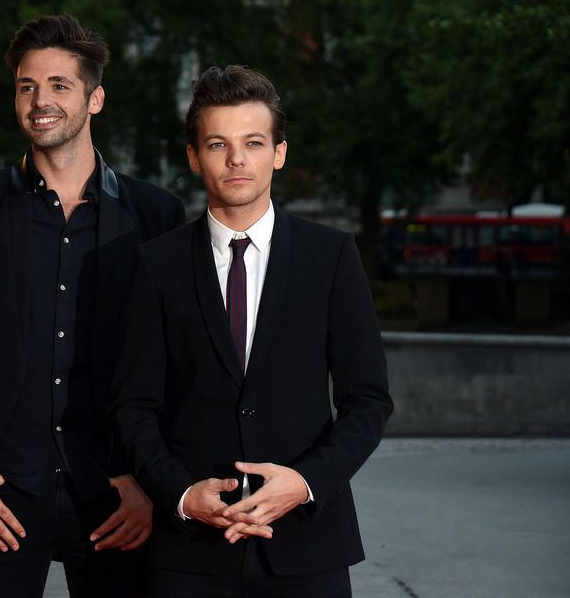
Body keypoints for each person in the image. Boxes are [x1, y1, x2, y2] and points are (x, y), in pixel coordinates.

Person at [0, 14, 185, 597]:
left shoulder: (156, 215)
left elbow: (173, 362)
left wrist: (151, 480)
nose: (40, 101)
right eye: (27, 86)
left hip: (115, 491)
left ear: (95, 98)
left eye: (59, 85)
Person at [111, 65, 393, 596]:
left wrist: (306, 484)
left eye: (253, 142)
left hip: (308, 543)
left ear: (279, 153)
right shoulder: (156, 264)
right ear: (194, 157)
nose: (237, 159)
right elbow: (133, 405)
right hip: (188, 552)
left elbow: (368, 400)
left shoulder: (330, 256)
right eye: (218, 143)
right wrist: (179, 493)